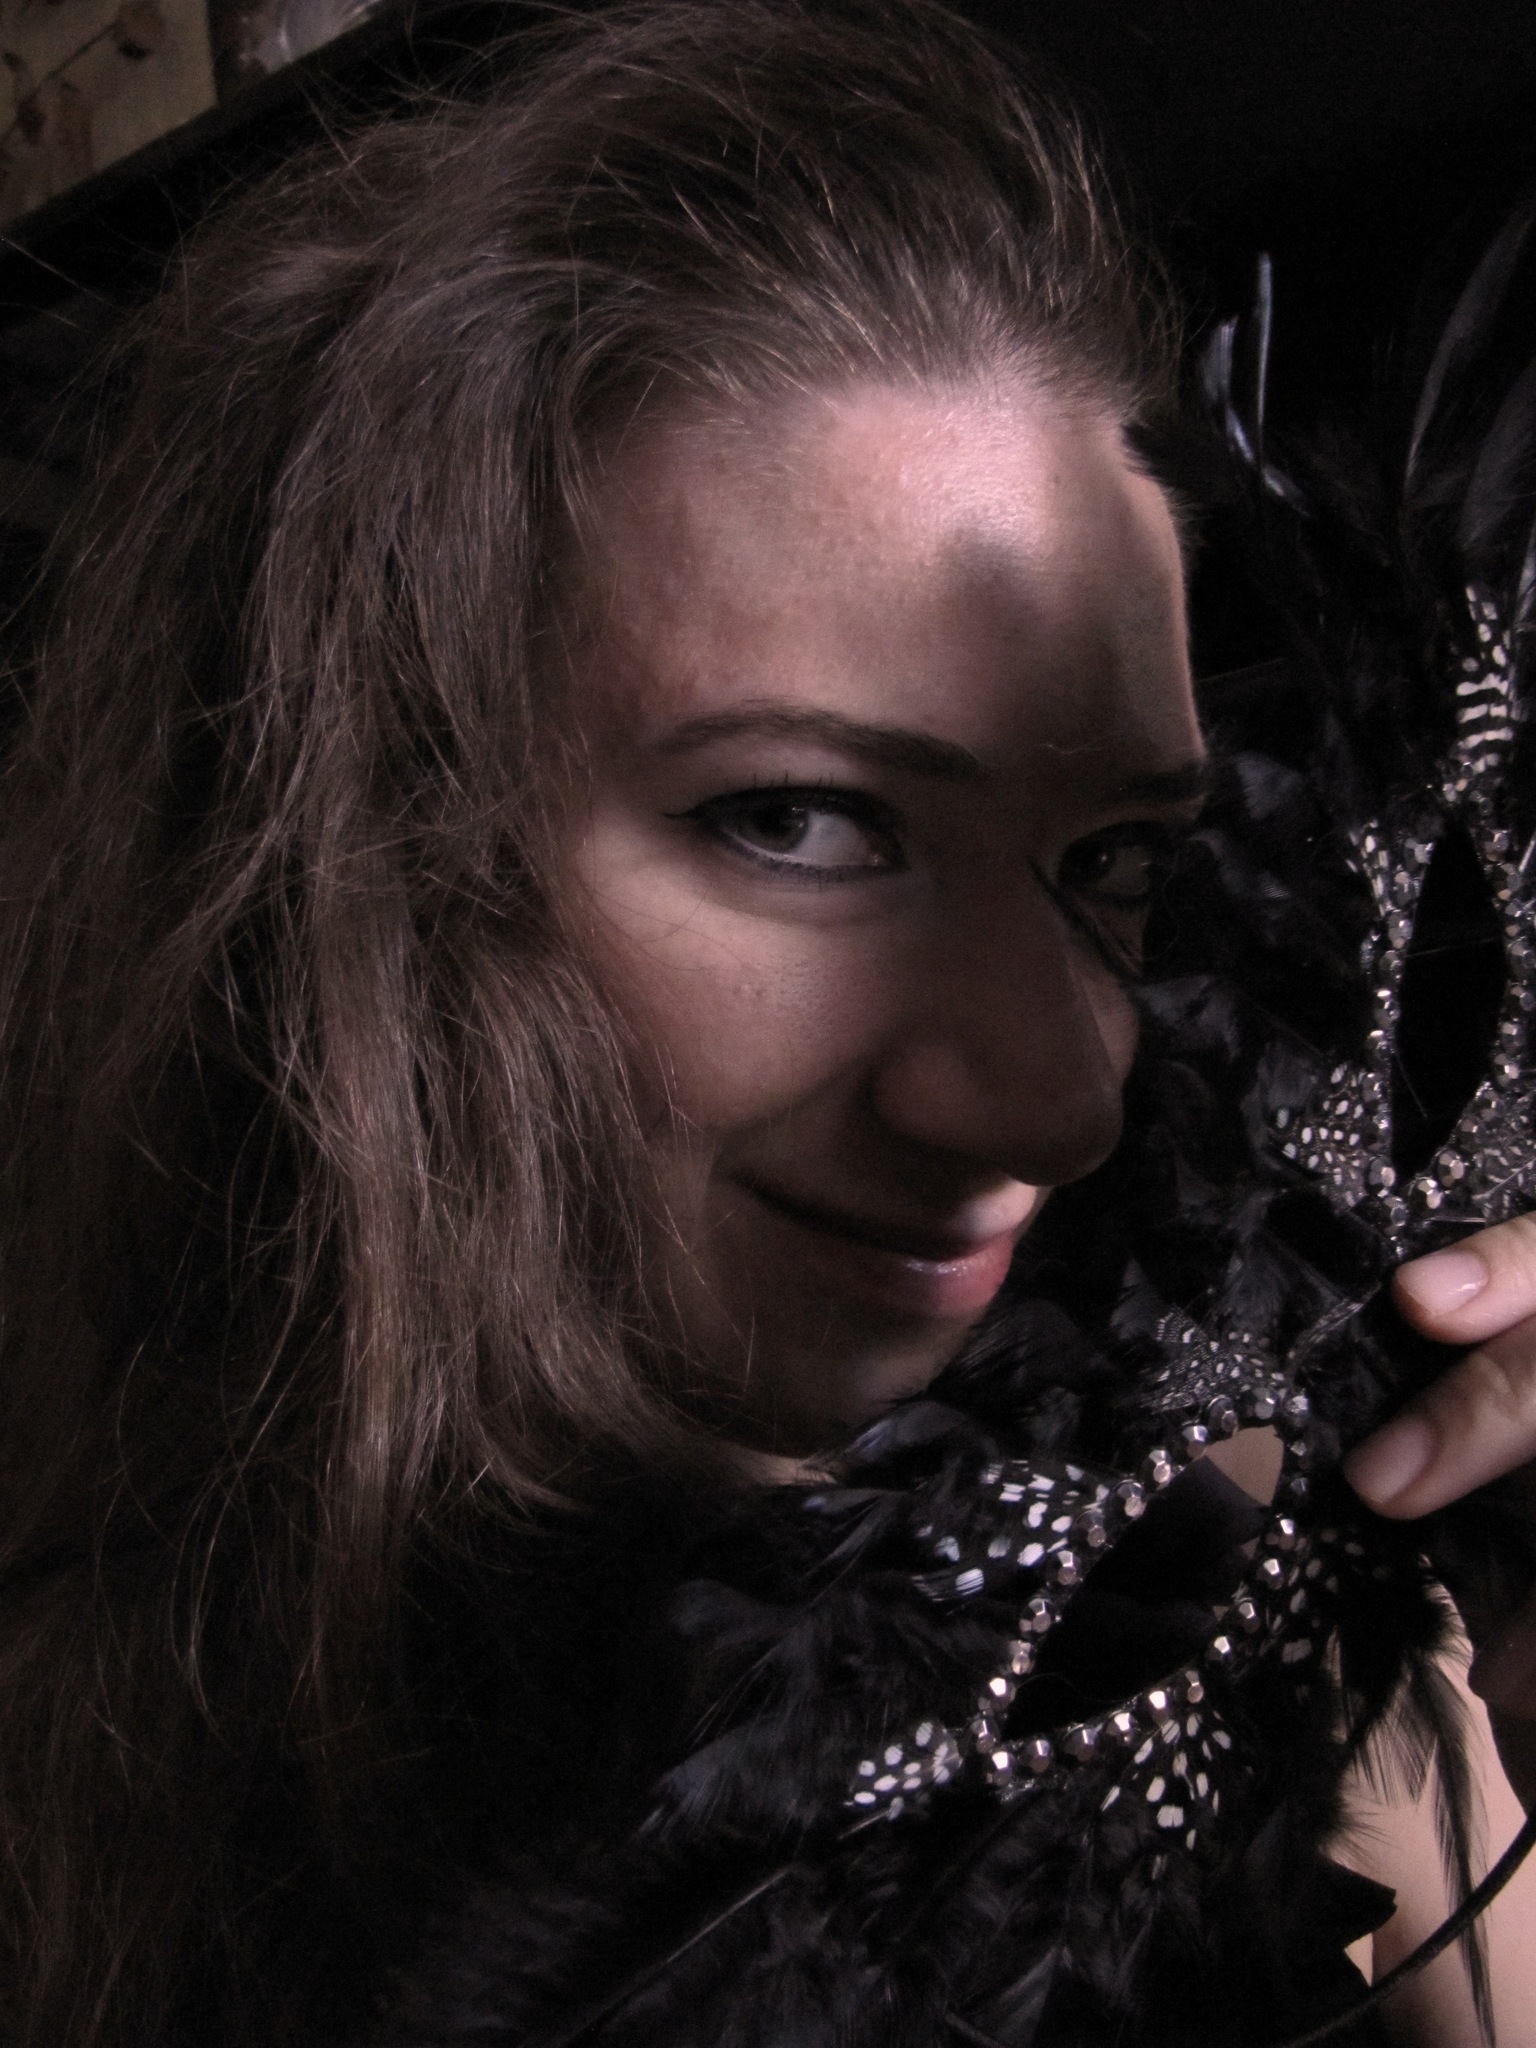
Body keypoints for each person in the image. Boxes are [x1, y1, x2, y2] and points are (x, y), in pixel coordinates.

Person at [0, 3, 1533, 2043]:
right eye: (801, 821)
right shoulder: (107, 1809)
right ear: (344, 861)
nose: (1058, 1095)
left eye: (1116, 858)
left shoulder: (1228, 1656)